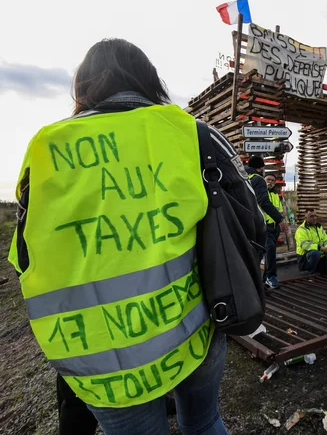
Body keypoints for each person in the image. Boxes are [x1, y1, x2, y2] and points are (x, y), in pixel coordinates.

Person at [7, 38, 243, 435]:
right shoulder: (189, 132)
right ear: (150, 80)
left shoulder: (47, 148)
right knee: (204, 423)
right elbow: (248, 217)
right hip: (192, 330)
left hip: (99, 359)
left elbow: (23, 257)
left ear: (83, 88)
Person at [246, 157, 289, 289]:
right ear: (261, 168)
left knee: (261, 252)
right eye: (268, 179)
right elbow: (263, 202)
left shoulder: (247, 178)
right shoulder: (258, 180)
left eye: (272, 180)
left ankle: (259, 281)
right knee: (266, 250)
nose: (269, 182)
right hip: (262, 226)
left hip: (268, 227)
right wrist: (280, 219)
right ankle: (266, 279)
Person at [295, 209, 327, 274]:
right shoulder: (301, 230)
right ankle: (309, 271)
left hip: (319, 256)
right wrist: (320, 248)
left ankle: (319, 268)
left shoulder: (319, 227)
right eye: (311, 216)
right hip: (305, 258)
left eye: (315, 216)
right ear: (305, 218)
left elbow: (326, 240)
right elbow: (305, 245)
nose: (314, 218)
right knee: (315, 253)